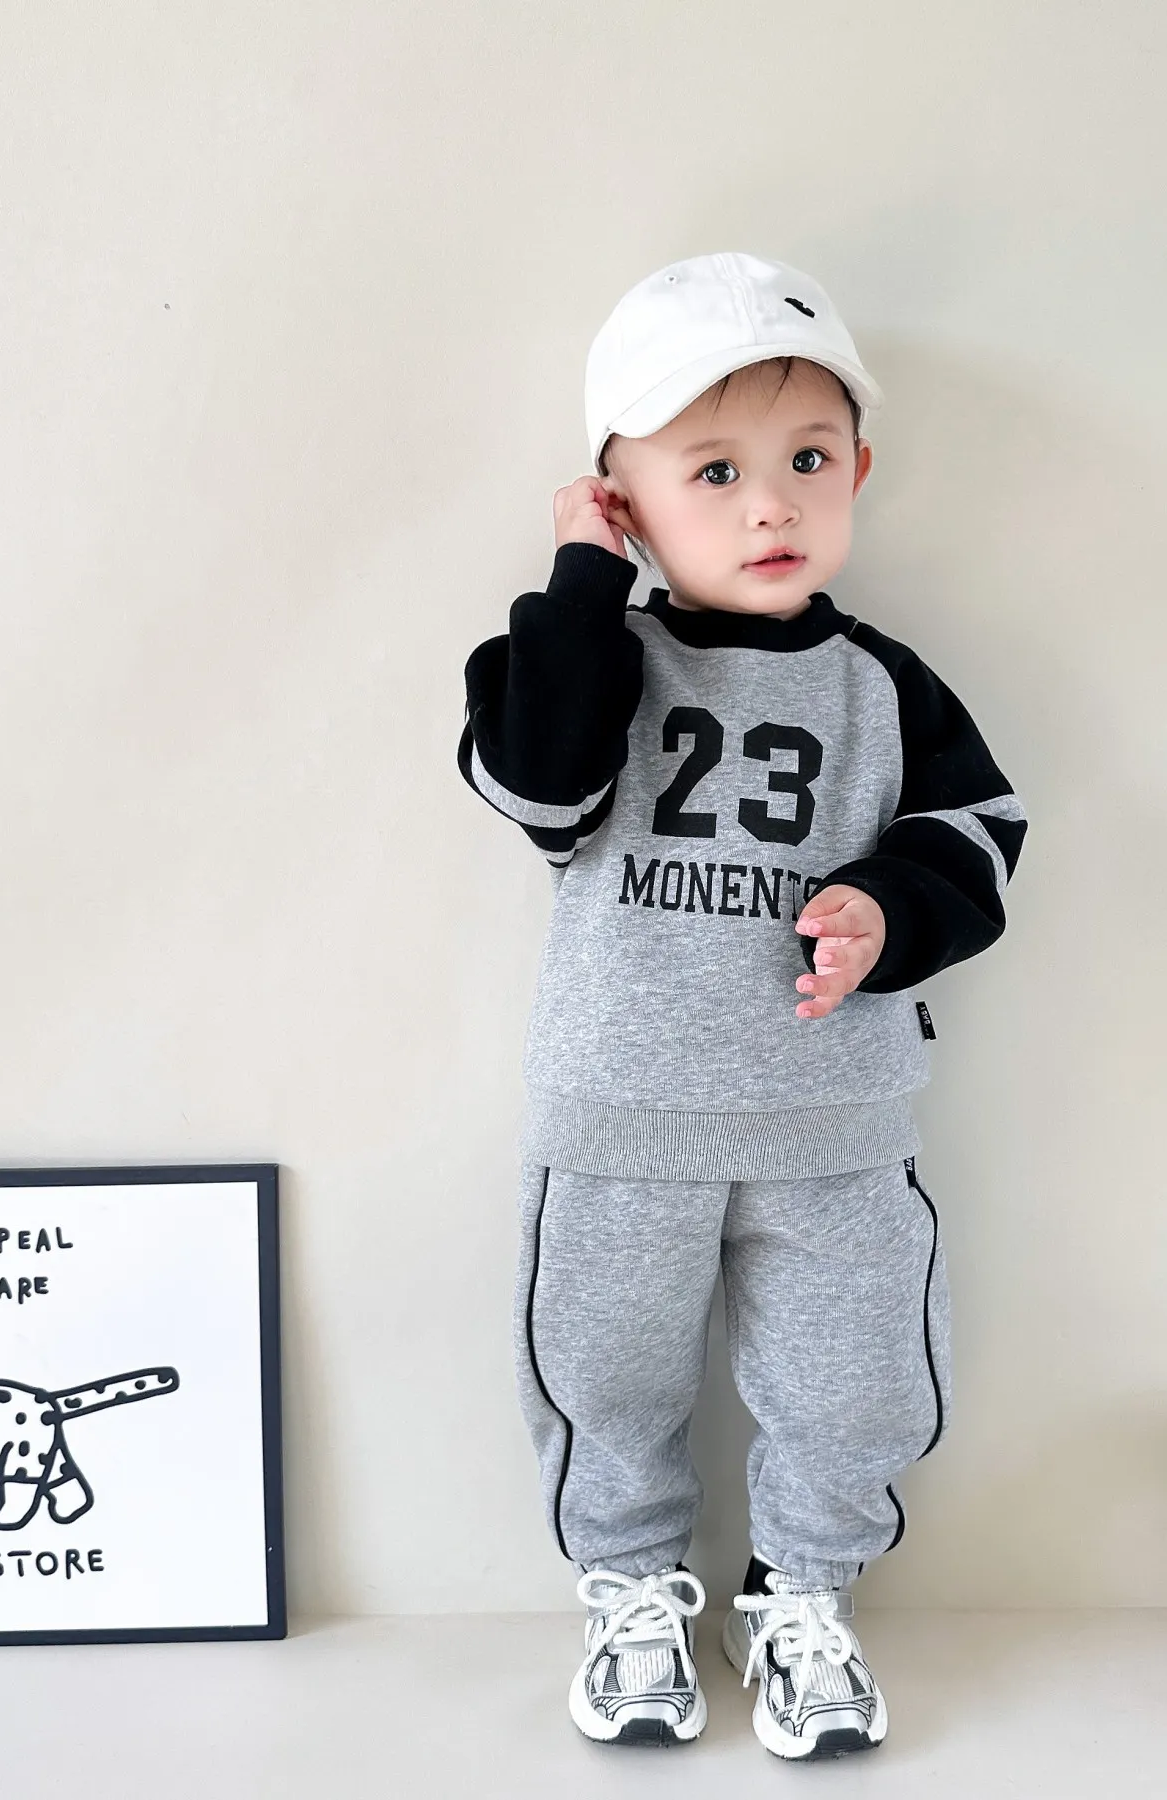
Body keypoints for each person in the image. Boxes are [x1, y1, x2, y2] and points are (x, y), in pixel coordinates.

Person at [457, 251, 1025, 1759]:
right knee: (602, 1374)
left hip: (831, 1125)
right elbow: (539, 780)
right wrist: (583, 580)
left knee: (861, 1379)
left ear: (858, 474)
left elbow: (981, 836)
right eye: (713, 472)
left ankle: (802, 1596)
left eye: (807, 462)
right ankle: (633, 1591)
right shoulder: (587, 659)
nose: (770, 506)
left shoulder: (886, 688)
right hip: (621, 1123)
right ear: (624, 501)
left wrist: (889, 907)